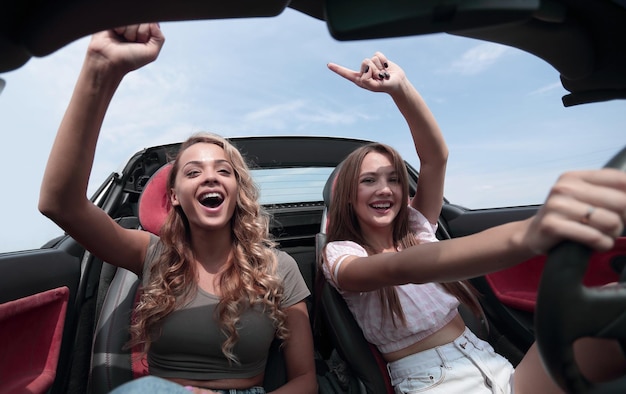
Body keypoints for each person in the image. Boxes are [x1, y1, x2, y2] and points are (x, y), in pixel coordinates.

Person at [321, 52, 626, 393]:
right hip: (432, 383)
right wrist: (530, 233)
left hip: (493, 364)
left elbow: (436, 157)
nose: (385, 189)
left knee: (612, 305)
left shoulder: (417, 229)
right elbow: (399, 268)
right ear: (347, 195)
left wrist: (401, 88)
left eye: (394, 179)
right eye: (369, 181)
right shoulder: (340, 254)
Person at [38, 23, 317, 394]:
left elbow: (305, 382)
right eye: (193, 172)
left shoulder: (279, 268)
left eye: (224, 171)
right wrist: (99, 67)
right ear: (174, 196)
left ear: (237, 190)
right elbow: (60, 204)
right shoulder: (151, 253)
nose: (211, 178)